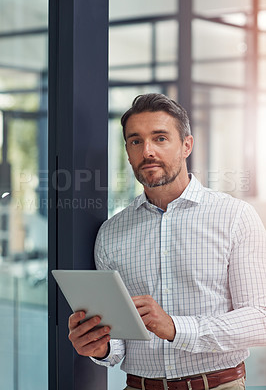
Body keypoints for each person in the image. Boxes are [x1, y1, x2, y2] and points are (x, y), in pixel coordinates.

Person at [68, 93, 266, 390]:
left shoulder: (235, 216)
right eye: (136, 141)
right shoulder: (111, 232)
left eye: (160, 138)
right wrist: (101, 347)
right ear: (127, 151)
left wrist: (176, 328)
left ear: (186, 145)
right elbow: (121, 339)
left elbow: (259, 320)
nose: (147, 151)